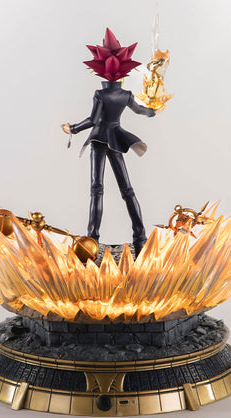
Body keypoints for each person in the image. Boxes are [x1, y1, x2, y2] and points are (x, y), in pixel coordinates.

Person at [62, 28, 156, 256]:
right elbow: (141, 110)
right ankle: (140, 239)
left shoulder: (101, 94)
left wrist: (72, 128)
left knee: (97, 190)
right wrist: (153, 111)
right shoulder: (126, 95)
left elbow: (93, 120)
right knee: (128, 191)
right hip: (115, 139)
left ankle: (92, 241)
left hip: (99, 140)